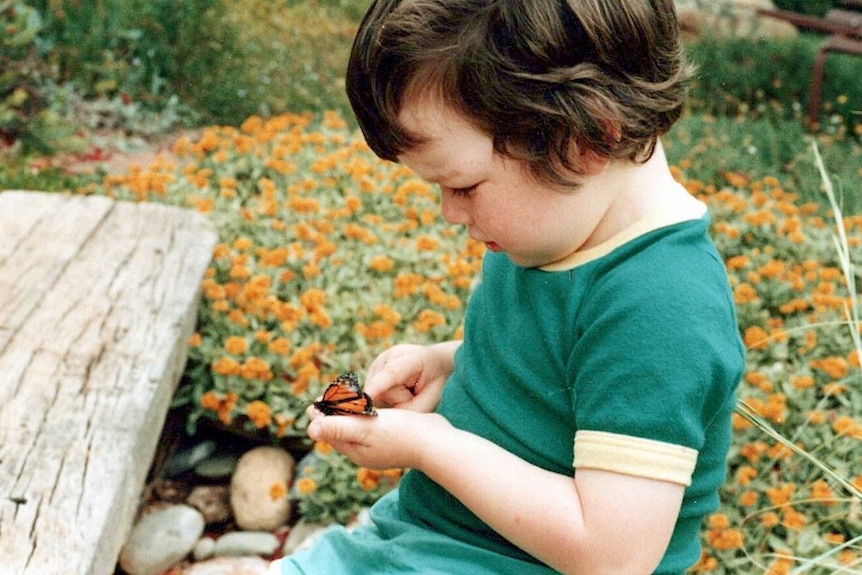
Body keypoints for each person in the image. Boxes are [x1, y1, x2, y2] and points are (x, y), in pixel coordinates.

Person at [270, 0, 744, 573]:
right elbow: (562, 373)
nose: (448, 212)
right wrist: (452, 365)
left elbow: (612, 554)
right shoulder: (555, 228)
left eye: (464, 186)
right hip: (436, 542)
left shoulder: (662, 305)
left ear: (583, 140)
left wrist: (429, 444)